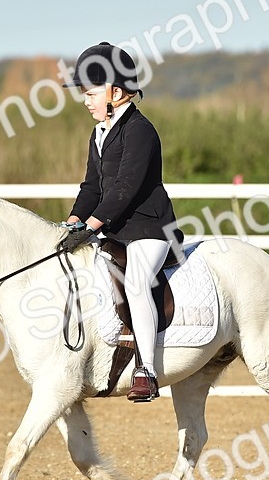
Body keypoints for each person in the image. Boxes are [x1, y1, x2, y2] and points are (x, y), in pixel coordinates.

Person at [57, 42, 183, 403]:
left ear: (116, 90)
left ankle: (146, 370)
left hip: (149, 228)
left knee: (139, 282)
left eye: (91, 93)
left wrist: (92, 226)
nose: (85, 100)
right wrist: (72, 223)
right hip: (114, 229)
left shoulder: (140, 131)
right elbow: (92, 186)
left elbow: (126, 188)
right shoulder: (99, 133)